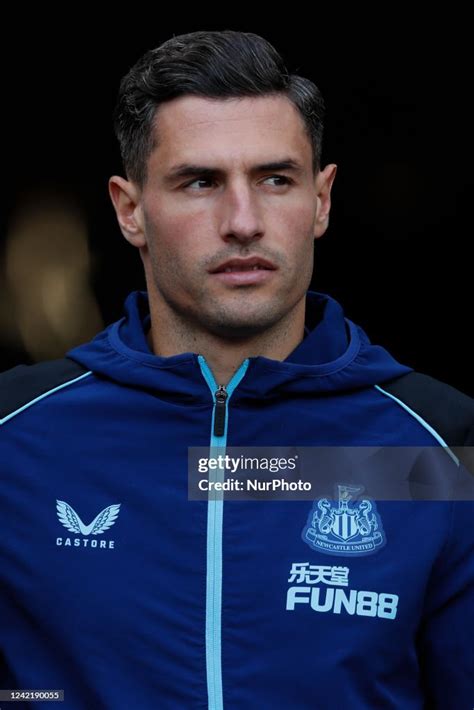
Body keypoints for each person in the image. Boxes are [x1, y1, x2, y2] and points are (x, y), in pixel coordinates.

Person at [1, 29, 473, 710]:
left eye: (275, 179)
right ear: (129, 209)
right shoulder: (15, 437)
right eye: (200, 183)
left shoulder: (443, 443)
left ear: (321, 199)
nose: (243, 221)